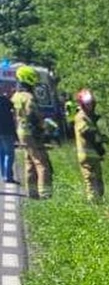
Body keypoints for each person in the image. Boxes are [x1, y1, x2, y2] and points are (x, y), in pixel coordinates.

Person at [11, 66, 53, 199]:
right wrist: (44, 127)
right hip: (31, 132)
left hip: (21, 131)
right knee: (41, 162)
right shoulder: (29, 97)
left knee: (29, 161)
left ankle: (32, 192)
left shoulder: (16, 96)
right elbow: (33, 115)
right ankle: (45, 194)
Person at [73, 88, 107, 202]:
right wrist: (99, 140)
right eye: (87, 104)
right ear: (82, 104)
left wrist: (101, 140)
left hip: (94, 155)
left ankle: (99, 201)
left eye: (91, 103)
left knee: (99, 181)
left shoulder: (89, 116)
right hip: (86, 155)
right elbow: (87, 132)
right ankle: (92, 203)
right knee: (91, 181)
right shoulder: (81, 116)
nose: (90, 106)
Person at [0, 89, 15, 184]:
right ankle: (7, 176)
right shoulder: (5, 101)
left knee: (1, 153)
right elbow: (13, 109)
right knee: (9, 153)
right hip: (6, 130)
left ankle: (3, 174)